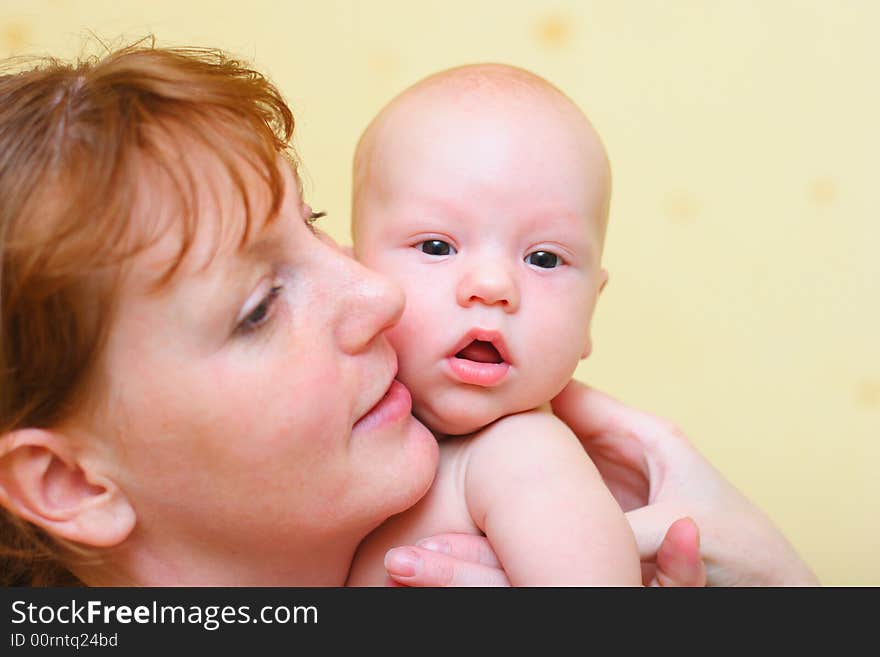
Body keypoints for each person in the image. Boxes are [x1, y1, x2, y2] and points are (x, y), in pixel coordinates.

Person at [0, 44, 816, 587]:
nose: (378, 293)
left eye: (314, 226)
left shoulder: (511, 468)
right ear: (72, 480)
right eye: (258, 309)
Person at [348, 64, 644, 585]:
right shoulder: (337, 429)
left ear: (590, 314)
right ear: (354, 276)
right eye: (437, 247)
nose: (492, 285)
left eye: (545, 259)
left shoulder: (522, 457)